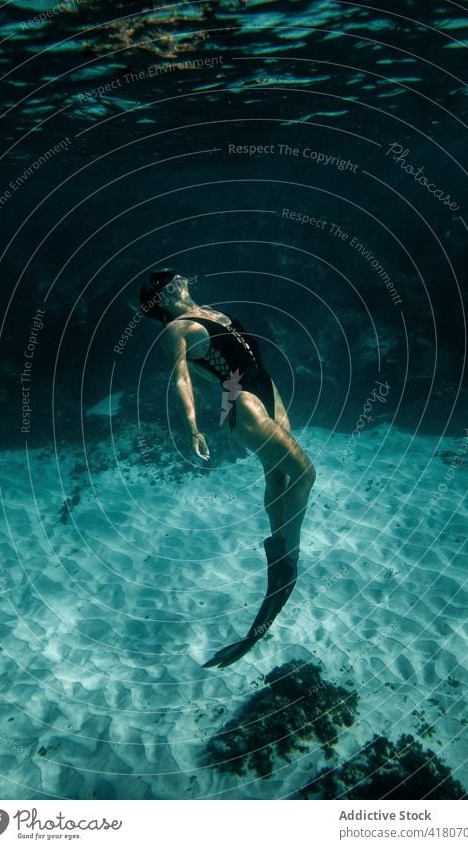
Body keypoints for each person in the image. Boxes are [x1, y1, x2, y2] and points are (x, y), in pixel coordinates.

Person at [140, 269, 316, 668]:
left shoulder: (209, 311)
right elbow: (183, 379)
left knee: (280, 476)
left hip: (264, 387)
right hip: (245, 406)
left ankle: (278, 549)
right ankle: (288, 558)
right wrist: (193, 428)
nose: (177, 280)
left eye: (175, 277)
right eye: (166, 283)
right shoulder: (176, 330)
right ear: (160, 301)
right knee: (306, 474)